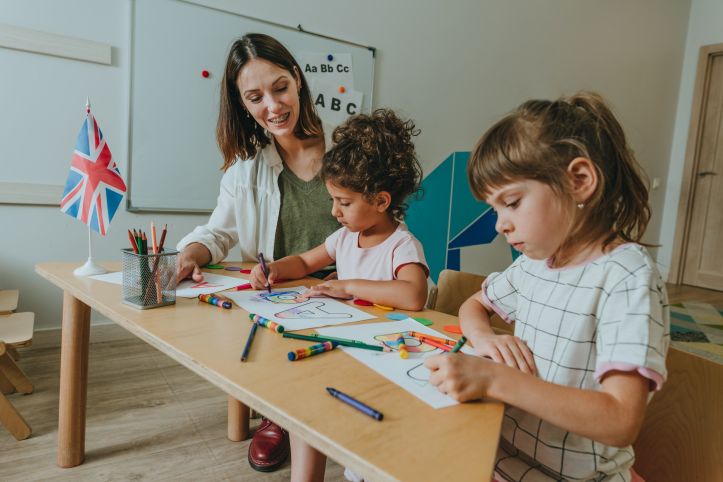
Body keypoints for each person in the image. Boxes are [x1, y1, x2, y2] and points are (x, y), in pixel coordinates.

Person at [424, 92, 669, 482]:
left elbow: (621, 420)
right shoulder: (535, 264)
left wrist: (494, 378)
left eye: (513, 202)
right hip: (498, 454)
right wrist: (485, 338)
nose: (499, 224)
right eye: (495, 209)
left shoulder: (627, 277)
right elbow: (473, 306)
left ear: (579, 181)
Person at [175, 33, 340, 474]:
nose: (273, 105)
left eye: (280, 87)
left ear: (299, 81)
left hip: (347, 294)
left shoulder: (347, 148)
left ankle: (307, 414)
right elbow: (218, 232)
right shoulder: (245, 167)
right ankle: (278, 414)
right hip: (279, 297)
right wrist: (192, 252)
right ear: (243, 104)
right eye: (255, 97)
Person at [249, 108, 429, 481]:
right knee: (303, 399)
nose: (334, 212)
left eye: (343, 203)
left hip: (385, 357)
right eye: (333, 200)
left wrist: (347, 287)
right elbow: (304, 260)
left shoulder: (401, 245)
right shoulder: (345, 237)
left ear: (380, 201)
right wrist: (277, 269)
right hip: (345, 346)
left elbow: (413, 295)